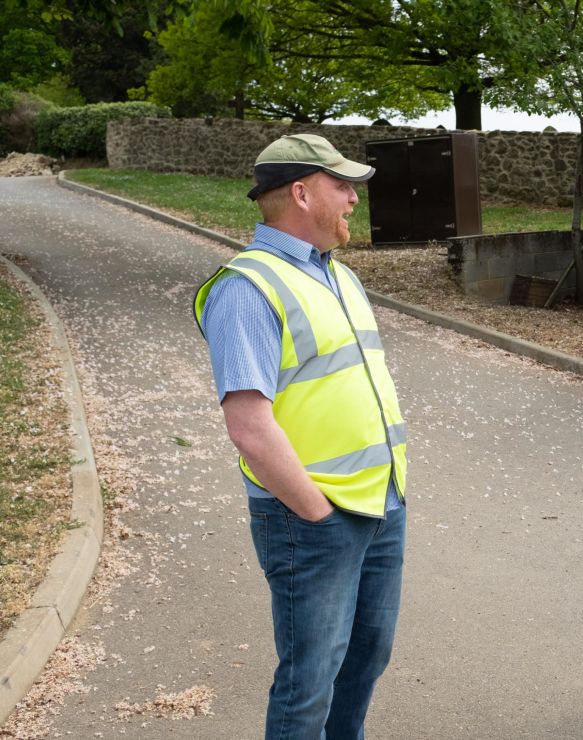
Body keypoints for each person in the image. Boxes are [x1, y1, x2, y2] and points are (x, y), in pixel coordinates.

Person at [193, 133, 408, 739]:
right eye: (342, 186)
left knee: (364, 660)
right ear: (301, 192)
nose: (353, 200)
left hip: (378, 502)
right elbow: (249, 427)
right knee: (309, 682)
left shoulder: (337, 276)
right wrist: (317, 514)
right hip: (313, 518)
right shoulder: (246, 287)